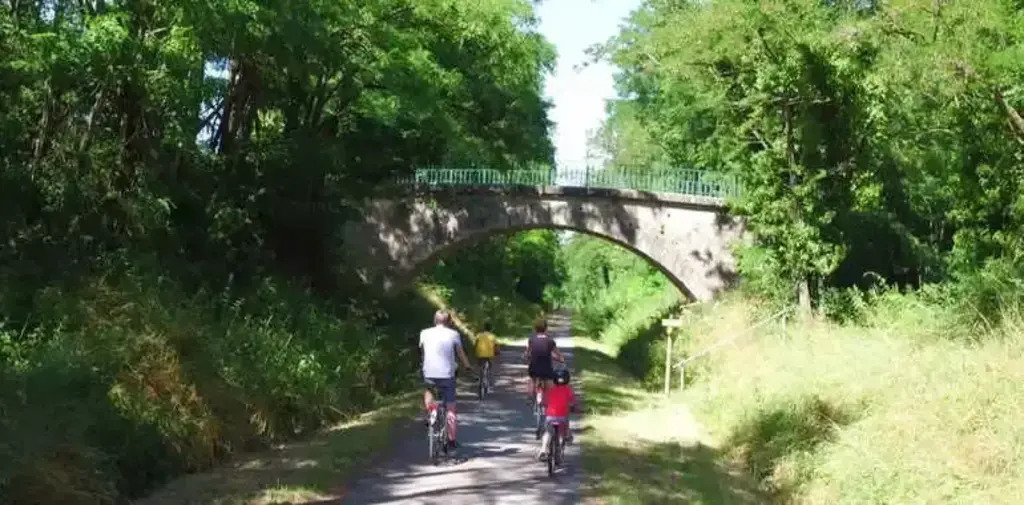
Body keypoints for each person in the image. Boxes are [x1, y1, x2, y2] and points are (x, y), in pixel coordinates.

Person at [420, 309, 474, 451]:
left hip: (429, 372)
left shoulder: (424, 333)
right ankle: (451, 440)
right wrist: (467, 366)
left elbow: (423, 351)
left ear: (435, 320)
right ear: (449, 321)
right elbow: (460, 353)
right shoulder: (454, 334)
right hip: (447, 375)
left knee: (429, 391)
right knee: (450, 408)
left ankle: (431, 411)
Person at [538, 366, 576, 461]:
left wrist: (544, 405)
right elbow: (572, 402)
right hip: (563, 417)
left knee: (547, 432)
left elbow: (544, 401)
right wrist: (573, 407)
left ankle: (543, 449)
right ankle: (567, 437)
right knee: (564, 430)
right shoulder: (568, 390)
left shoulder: (550, 389)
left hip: (550, 417)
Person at [523, 318, 564, 404]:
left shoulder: (532, 340)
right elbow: (557, 353)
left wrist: (526, 357)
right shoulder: (550, 341)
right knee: (550, 383)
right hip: (546, 369)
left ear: (535, 329)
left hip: (534, 368)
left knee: (532, 379)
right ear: (546, 329)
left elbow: (527, 353)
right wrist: (561, 359)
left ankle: (530, 396)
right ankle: (550, 400)